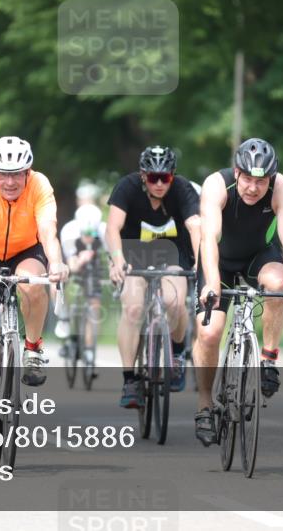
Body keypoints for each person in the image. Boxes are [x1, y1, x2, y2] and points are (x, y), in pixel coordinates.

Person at [193, 138, 283, 445]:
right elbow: (209, 236)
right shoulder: (216, 185)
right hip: (219, 259)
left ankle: (268, 359)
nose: (253, 188)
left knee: (278, 284)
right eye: (247, 179)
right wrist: (211, 283)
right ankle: (205, 404)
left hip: (260, 256)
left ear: (270, 178)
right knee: (208, 333)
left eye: (261, 181)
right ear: (236, 172)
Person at [0, 136, 68, 442]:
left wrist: (57, 263)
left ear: (28, 172)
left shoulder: (40, 185)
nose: (10, 181)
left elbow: (48, 231)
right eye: (3, 174)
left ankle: (32, 348)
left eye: (17, 173)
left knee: (33, 285)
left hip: (25, 250)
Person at [107, 145, 201, 408]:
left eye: (165, 178)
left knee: (173, 301)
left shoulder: (183, 189)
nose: (159, 184)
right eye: (153, 178)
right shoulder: (126, 187)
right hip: (132, 252)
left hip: (173, 253)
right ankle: (130, 379)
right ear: (142, 175)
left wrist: (202, 261)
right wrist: (117, 260)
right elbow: (113, 228)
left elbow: (195, 226)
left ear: (173, 175)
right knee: (134, 308)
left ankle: (179, 350)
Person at [59, 205, 105, 365]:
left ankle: (88, 348)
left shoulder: (104, 231)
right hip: (72, 261)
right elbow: (72, 266)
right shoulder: (69, 231)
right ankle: (64, 316)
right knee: (57, 284)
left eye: (93, 233)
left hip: (93, 264)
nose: (89, 237)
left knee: (94, 305)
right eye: (86, 233)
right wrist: (81, 260)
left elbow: (112, 256)